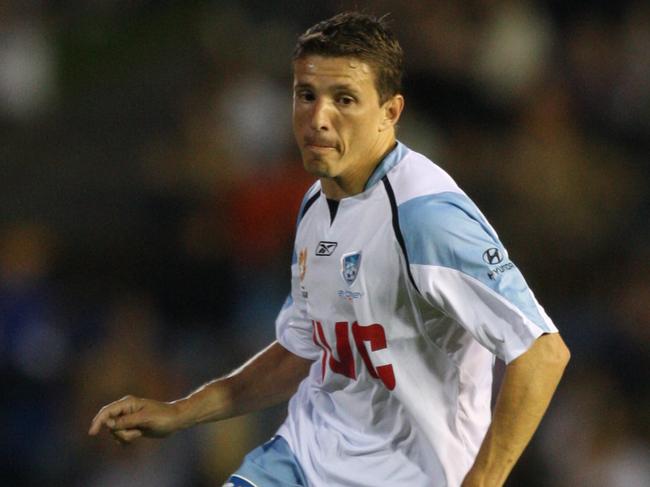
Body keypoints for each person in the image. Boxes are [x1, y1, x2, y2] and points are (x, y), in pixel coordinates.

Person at [88, 12, 570, 487]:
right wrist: (179, 412)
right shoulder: (317, 202)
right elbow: (305, 351)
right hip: (303, 459)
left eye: (344, 99)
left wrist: (484, 481)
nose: (318, 118)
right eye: (306, 95)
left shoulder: (426, 218)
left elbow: (542, 353)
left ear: (390, 112)